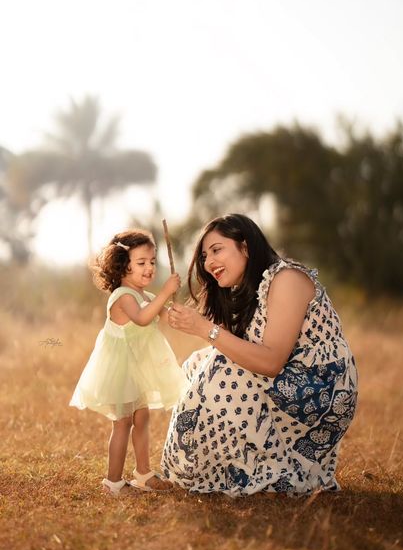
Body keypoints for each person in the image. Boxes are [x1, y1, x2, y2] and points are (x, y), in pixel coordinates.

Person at [162, 213, 357, 497]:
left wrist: (205, 329)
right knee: (198, 362)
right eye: (205, 256)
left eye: (217, 250)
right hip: (289, 382)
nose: (209, 262)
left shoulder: (286, 279)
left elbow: (270, 362)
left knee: (219, 365)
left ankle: (271, 470)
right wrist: (206, 332)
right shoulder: (248, 291)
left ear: (246, 247)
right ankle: (235, 467)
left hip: (322, 388)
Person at [70, 228, 186, 495]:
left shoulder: (144, 295)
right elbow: (144, 318)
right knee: (122, 422)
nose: (149, 268)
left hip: (138, 368)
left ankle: (143, 473)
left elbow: (163, 316)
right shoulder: (123, 296)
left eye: (153, 262)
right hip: (121, 369)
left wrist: (177, 312)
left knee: (142, 418)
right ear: (123, 266)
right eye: (141, 263)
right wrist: (166, 292)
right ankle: (113, 482)